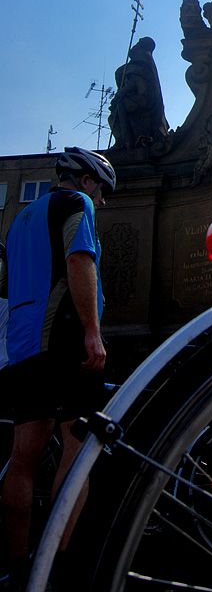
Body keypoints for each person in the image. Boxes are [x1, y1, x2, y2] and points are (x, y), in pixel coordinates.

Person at [1, 147, 116, 589]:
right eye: (102, 191)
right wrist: (92, 329)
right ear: (86, 180)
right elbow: (78, 260)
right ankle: (60, 563)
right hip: (65, 340)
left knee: (23, 458)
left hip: (23, 346)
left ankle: (15, 564)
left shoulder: (20, 221)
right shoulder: (75, 204)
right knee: (79, 446)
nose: (101, 202)